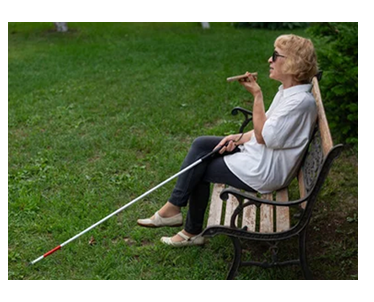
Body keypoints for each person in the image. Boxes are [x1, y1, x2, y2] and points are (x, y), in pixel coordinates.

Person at [137, 34, 318, 247]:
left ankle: (189, 229)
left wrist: (257, 96)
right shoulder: (289, 93)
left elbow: (263, 135)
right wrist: (239, 138)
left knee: (200, 169)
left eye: (275, 55)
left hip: (265, 170)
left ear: (291, 63)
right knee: (202, 144)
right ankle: (174, 209)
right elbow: (268, 131)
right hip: (261, 155)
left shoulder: (299, 103)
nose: (269, 60)